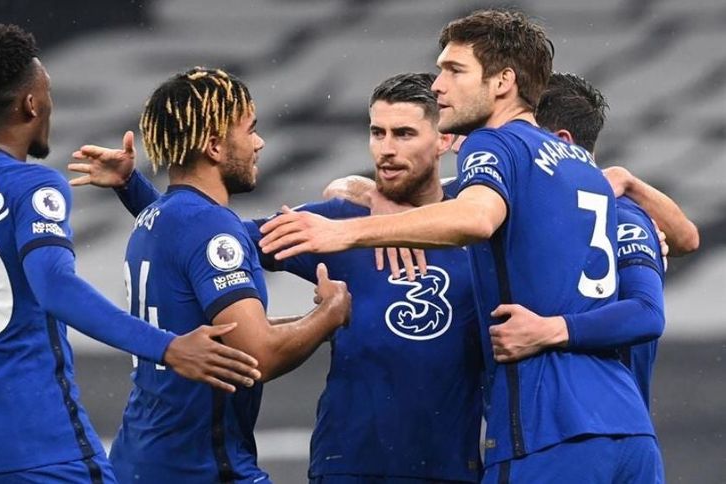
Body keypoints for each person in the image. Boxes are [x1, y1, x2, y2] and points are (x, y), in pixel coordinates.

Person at [258, 9, 664, 483]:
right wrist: (364, 191)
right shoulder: (581, 168)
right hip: (629, 430)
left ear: (503, 82)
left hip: (548, 427)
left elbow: (475, 218)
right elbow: (659, 281)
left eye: (454, 70)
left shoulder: (493, 145)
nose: (438, 86)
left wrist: (343, 232)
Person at [0, 25, 261, 483]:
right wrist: (167, 347)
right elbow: (55, 287)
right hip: (38, 446)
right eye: (48, 95)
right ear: (31, 104)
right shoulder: (32, 185)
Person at [70, 72, 484, 483]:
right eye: (378, 133)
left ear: (444, 139)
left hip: (449, 469)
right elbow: (205, 239)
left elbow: (191, 228)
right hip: (346, 467)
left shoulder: (482, 224)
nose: (386, 149)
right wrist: (359, 212)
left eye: (404, 134)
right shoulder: (335, 223)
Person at [76, 67, 351, 483]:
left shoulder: (156, 216)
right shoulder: (209, 226)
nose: (259, 143)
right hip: (199, 466)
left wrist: (130, 184)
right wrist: (330, 312)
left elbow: (226, 333)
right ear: (215, 146)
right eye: (250, 130)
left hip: (142, 457)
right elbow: (258, 355)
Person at [534, 72, 698, 406]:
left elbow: (648, 309)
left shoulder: (618, 214)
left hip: (598, 415)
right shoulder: (535, 209)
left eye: (524, 135)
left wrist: (549, 331)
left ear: (562, 142)